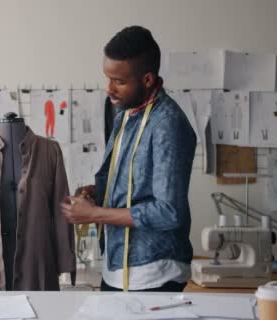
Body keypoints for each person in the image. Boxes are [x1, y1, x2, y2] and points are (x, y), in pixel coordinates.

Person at [62, 26, 197, 292]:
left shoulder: (167, 126)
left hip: (153, 274)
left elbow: (170, 212)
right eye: (107, 78)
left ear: (147, 80)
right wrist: (98, 193)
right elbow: (132, 187)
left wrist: (95, 214)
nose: (109, 89)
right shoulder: (126, 114)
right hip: (117, 267)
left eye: (119, 81)